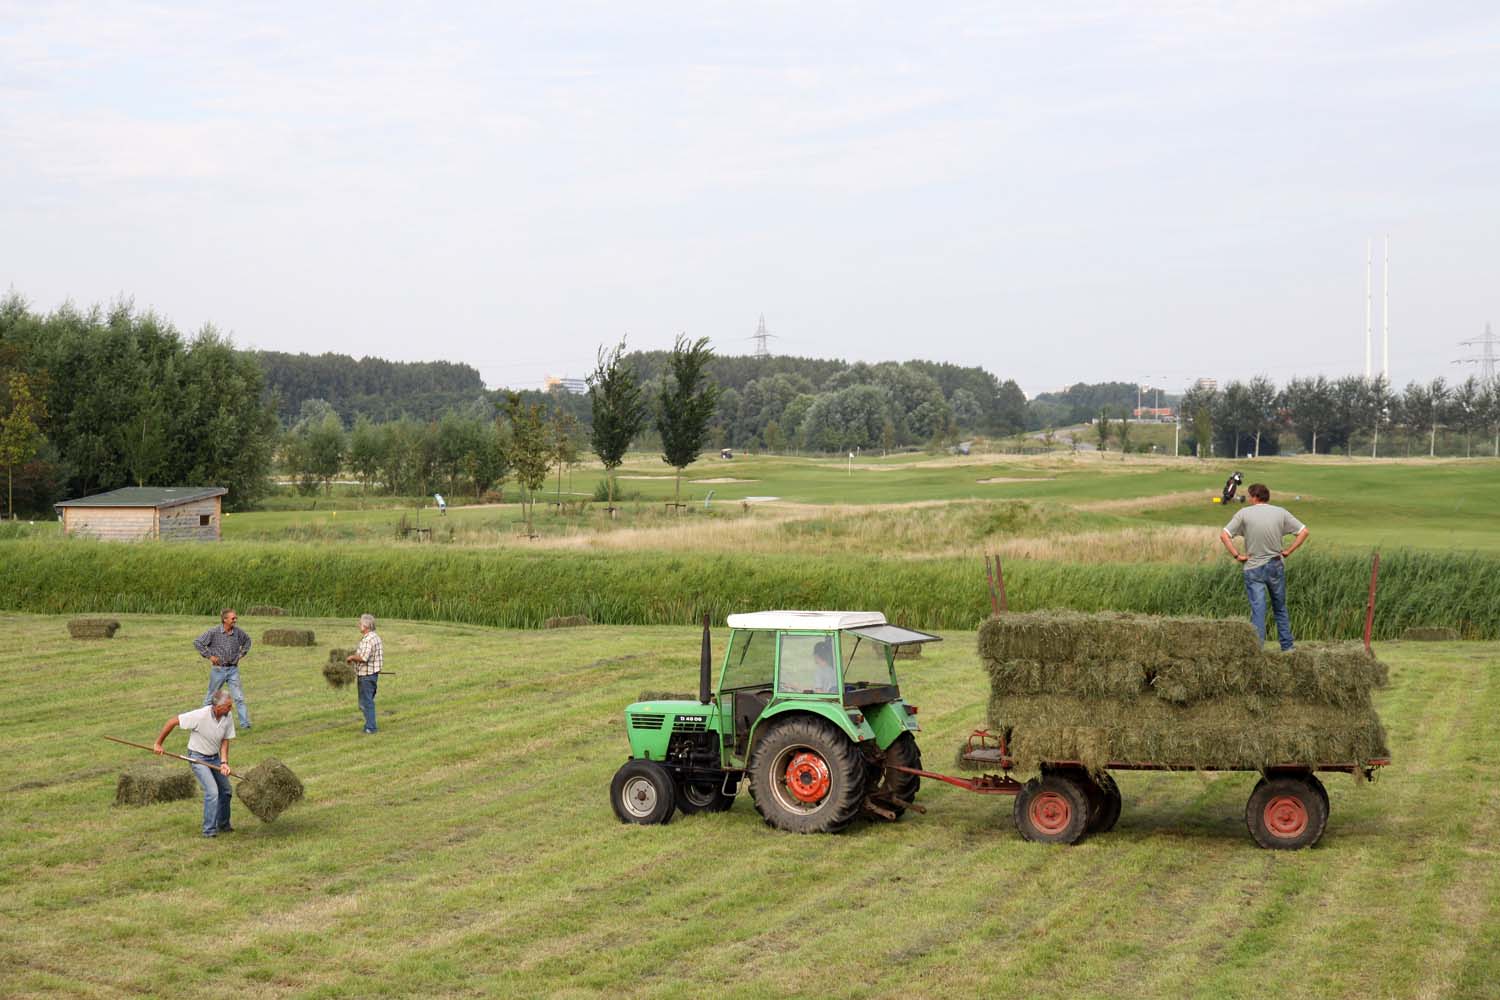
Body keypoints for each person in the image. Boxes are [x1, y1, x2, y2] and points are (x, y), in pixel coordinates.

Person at [1219, 483, 1309, 651]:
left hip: (1253, 567)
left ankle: (1257, 649)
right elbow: (1304, 531)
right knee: (1280, 607)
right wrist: (1289, 550)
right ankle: (1287, 647)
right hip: (1276, 564)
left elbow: (1224, 535)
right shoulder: (1281, 512)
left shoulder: (1244, 513)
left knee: (1258, 610)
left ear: (1254, 497)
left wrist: (1237, 555)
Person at [154, 688, 236, 837]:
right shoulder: (200, 715)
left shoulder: (227, 716)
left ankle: (223, 825)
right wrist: (158, 744)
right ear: (218, 707)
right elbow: (172, 721)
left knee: (226, 791)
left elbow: (225, 739)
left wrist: (224, 762)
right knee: (212, 792)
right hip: (197, 758)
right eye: (228, 706)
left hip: (215, 757)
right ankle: (209, 831)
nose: (231, 708)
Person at [194, 609, 253, 729]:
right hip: (218, 670)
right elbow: (198, 642)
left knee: (239, 697)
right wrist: (209, 656)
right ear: (225, 620)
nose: (235, 620)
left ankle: (245, 724)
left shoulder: (238, 632)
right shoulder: (214, 632)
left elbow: (248, 641)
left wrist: (241, 654)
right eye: (233, 618)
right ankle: (201, 722)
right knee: (210, 698)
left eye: (235, 618)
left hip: (233, 670)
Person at [346, 613, 383, 733]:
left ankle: (370, 727)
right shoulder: (376, 637)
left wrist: (352, 657)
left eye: (360, 623)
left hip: (366, 676)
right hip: (373, 674)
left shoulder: (368, 640)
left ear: (366, 625)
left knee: (366, 702)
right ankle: (369, 724)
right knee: (366, 702)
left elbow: (363, 658)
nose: (359, 625)